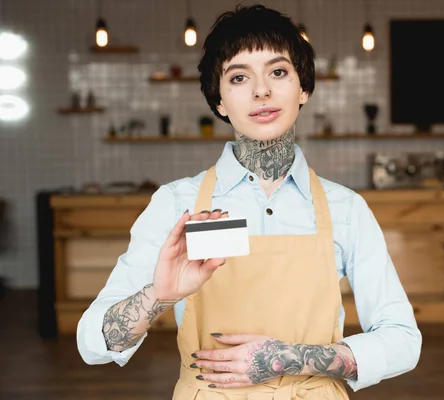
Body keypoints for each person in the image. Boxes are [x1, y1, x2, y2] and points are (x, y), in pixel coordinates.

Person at [77, 4, 422, 399]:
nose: (262, 90)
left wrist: (291, 358)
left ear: (304, 88)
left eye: (278, 72)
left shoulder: (346, 209)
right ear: (219, 101)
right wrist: (160, 295)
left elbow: (402, 340)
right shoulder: (177, 204)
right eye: (239, 77)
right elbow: (92, 345)